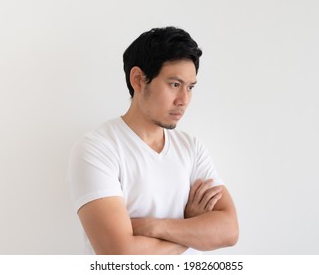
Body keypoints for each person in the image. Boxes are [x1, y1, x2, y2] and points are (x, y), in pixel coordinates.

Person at [68, 26, 239, 254]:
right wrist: (192, 228)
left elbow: (228, 231)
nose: (184, 99)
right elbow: (119, 255)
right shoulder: (97, 148)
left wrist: (153, 227)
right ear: (138, 80)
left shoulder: (191, 148)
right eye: (175, 85)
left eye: (190, 87)